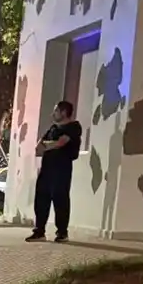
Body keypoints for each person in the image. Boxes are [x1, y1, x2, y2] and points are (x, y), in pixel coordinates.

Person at [27, 100, 82, 243]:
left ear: (64, 112)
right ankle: (39, 231)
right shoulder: (52, 129)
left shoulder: (73, 127)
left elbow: (61, 143)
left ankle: (62, 233)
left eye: (56, 111)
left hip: (62, 168)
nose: (53, 114)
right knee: (41, 199)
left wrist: (49, 144)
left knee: (60, 199)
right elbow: (38, 147)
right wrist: (50, 145)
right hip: (47, 168)